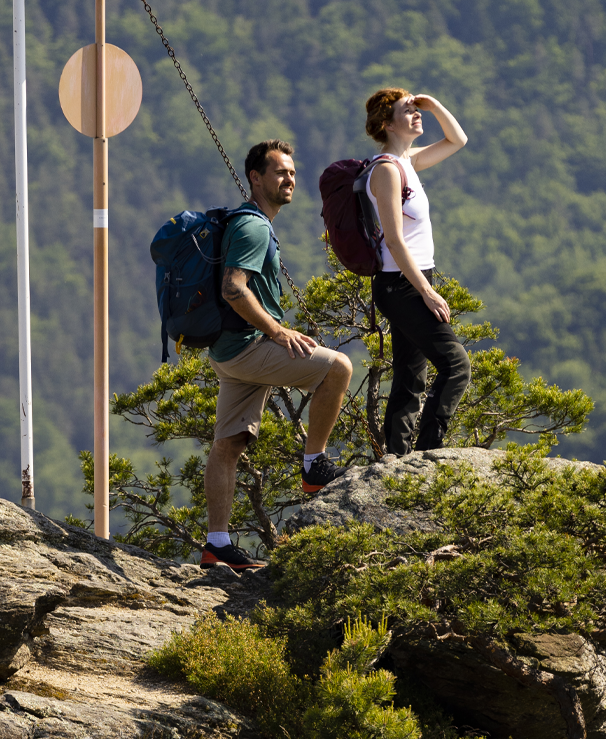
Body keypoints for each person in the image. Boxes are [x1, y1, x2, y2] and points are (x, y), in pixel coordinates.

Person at [200, 139, 354, 570]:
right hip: (249, 346)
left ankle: (217, 544)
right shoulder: (252, 227)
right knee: (337, 368)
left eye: (292, 172)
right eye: (280, 172)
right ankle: (314, 465)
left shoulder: (249, 222)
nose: (289, 180)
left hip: (228, 350)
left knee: (228, 445)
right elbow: (234, 288)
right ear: (255, 177)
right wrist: (278, 331)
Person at [365, 89, 471, 456]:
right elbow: (394, 240)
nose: (416, 115)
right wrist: (426, 291)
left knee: (411, 376)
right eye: (407, 111)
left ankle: (396, 456)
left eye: (416, 110)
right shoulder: (386, 170)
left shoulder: (406, 161)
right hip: (402, 284)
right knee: (456, 366)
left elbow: (459, 140)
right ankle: (431, 453)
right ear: (385, 124)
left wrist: (435, 105)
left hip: (408, 281)